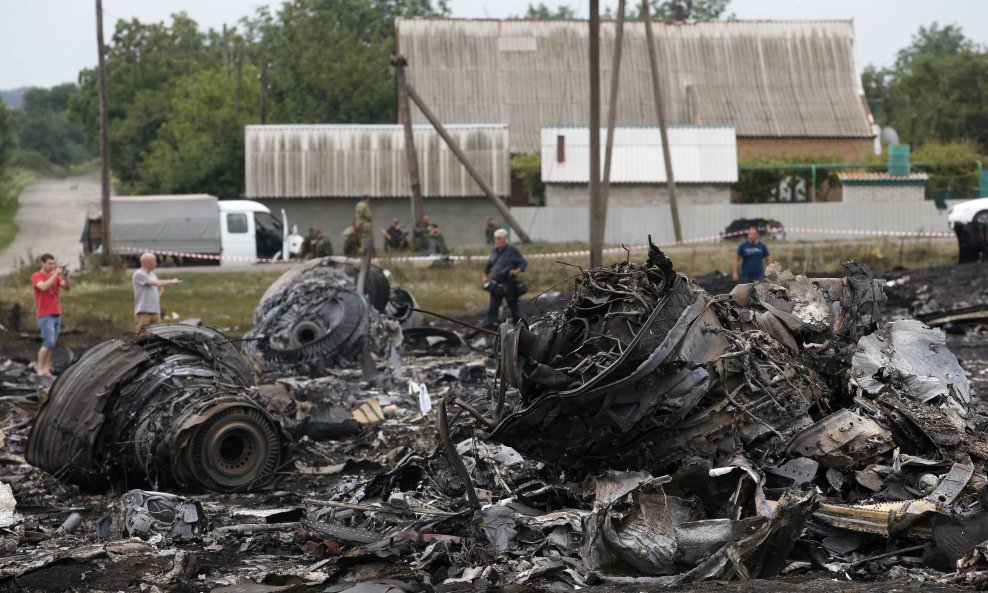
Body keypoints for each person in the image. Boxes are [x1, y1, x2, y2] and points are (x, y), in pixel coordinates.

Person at [32, 254, 70, 377]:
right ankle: (40, 369)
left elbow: (67, 287)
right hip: (45, 314)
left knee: (52, 344)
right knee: (47, 342)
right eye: (49, 263)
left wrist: (66, 276)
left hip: (56, 313)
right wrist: (55, 274)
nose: (52, 266)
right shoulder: (36, 276)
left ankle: (46, 369)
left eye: (53, 263)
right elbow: (43, 287)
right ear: (42, 263)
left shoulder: (54, 277)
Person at [482, 229, 527, 327]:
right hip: (496, 284)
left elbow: (523, 264)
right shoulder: (494, 251)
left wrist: (516, 271)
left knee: (514, 308)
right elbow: (488, 265)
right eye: (495, 238)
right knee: (493, 308)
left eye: (499, 238)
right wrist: (484, 276)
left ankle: (519, 328)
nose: (496, 241)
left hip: (509, 283)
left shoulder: (512, 250)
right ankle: (491, 328)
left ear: (505, 239)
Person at [133, 252, 182, 334]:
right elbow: (157, 283)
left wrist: (155, 298)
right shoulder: (139, 274)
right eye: (154, 261)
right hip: (144, 312)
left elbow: (160, 288)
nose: (156, 264)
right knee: (142, 336)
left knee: (158, 336)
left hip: (155, 312)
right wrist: (172, 281)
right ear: (148, 263)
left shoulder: (152, 275)